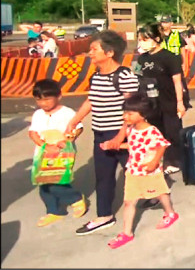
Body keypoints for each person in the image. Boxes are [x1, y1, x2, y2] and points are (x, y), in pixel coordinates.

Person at [65, 31, 139, 235]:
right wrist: (75, 119)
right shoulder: (96, 76)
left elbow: (132, 110)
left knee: (137, 171)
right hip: (100, 134)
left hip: (121, 133)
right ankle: (105, 216)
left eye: (94, 49)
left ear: (109, 52)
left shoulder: (124, 76)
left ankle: (156, 197)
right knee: (103, 177)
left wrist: (119, 136)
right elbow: (91, 100)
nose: (90, 53)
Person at [101, 94, 179, 249]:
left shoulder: (152, 131)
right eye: (125, 113)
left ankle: (170, 213)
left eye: (130, 114)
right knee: (129, 201)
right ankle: (127, 233)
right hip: (133, 170)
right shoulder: (130, 129)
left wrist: (154, 162)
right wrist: (111, 145)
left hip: (150, 172)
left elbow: (162, 145)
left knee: (161, 193)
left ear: (143, 115)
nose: (125, 116)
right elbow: (134, 146)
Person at [28, 79, 87, 227]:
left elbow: (78, 128)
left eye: (47, 99)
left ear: (58, 96)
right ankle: (53, 211)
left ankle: (75, 198)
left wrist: (68, 140)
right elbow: (33, 133)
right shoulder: (38, 114)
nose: (43, 103)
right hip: (43, 153)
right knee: (43, 184)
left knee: (57, 180)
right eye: (39, 100)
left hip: (62, 153)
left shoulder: (67, 113)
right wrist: (44, 146)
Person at [134, 23, 186, 175]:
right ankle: (160, 160)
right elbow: (137, 78)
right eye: (140, 39)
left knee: (172, 132)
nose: (142, 42)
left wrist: (180, 103)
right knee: (157, 133)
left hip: (169, 102)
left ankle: (175, 161)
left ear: (156, 39)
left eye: (145, 39)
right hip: (150, 104)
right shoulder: (142, 59)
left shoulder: (170, 57)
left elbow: (177, 81)